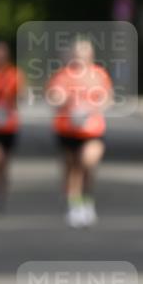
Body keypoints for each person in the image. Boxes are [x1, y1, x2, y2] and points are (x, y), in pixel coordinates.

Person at [46, 38, 113, 227]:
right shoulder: (63, 75)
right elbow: (53, 97)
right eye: (78, 53)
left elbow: (107, 98)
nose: (81, 57)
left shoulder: (99, 74)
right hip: (67, 129)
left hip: (92, 129)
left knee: (88, 162)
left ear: (91, 55)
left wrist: (92, 108)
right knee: (72, 168)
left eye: (85, 53)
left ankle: (88, 202)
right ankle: (75, 205)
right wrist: (62, 99)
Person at [0, 41, 26, 212]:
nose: (0, 56)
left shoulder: (14, 74)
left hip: (8, 125)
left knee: (3, 163)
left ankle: (0, 195)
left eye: (3, 53)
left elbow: (21, 97)